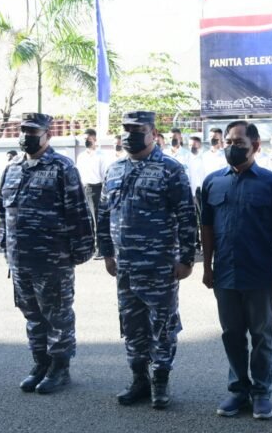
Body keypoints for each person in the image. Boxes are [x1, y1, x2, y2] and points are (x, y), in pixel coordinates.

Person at [97, 111, 196, 409]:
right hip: (125, 265)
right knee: (131, 324)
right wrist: (107, 253)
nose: (130, 135)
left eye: (137, 129)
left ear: (153, 133)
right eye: (126, 129)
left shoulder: (170, 169)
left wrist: (187, 258)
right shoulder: (114, 169)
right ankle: (139, 379)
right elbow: (103, 214)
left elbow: (187, 215)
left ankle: (160, 381)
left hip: (159, 265)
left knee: (162, 325)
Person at [201, 120, 272, 420]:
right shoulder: (213, 182)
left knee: (261, 336)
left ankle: (261, 393)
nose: (231, 147)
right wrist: (207, 267)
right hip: (225, 274)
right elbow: (207, 228)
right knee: (232, 334)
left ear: (254, 146)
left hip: (260, 274)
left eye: (238, 143)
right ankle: (238, 390)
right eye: (228, 142)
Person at [0, 112, 95, 394]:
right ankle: (40, 363)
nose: (26, 137)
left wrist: (80, 252)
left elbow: (78, 212)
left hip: (53, 259)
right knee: (31, 314)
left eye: (32, 132)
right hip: (20, 259)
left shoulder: (62, 167)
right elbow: (3, 213)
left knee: (57, 315)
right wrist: (6, 248)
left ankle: (59, 368)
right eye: (23, 131)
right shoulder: (12, 167)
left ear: (47, 135)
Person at [76, 128, 109, 259]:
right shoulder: (81, 156)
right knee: (87, 220)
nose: (86, 141)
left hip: (96, 189)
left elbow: (104, 175)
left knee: (97, 220)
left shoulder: (101, 155)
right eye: (84, 139)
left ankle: (100, 248)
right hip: (84, 188)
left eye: (88, 139)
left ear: (94, 139)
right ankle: (90, 247)